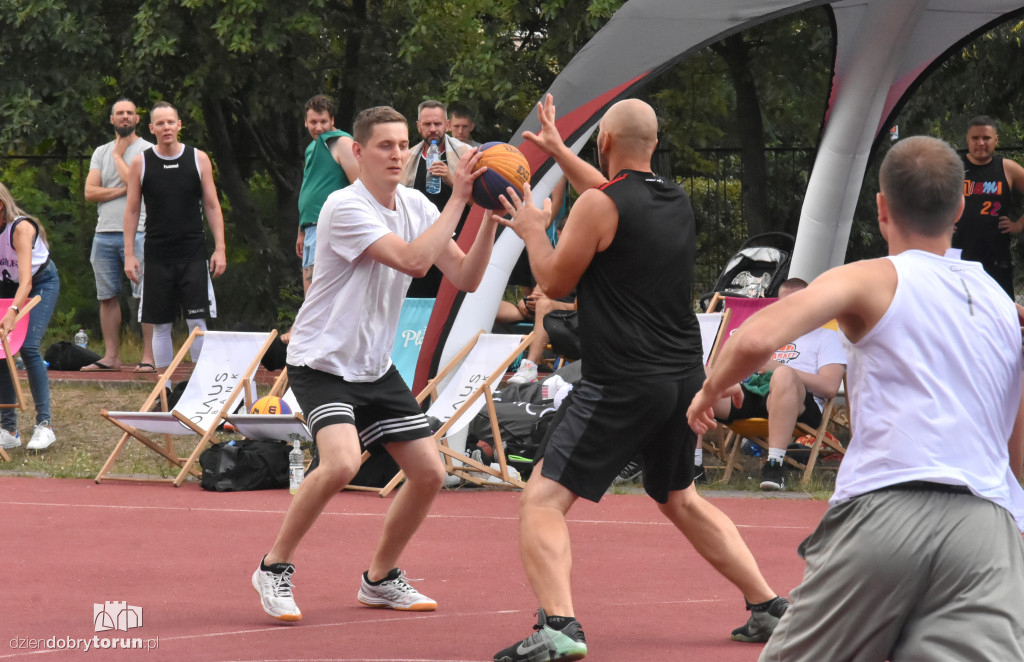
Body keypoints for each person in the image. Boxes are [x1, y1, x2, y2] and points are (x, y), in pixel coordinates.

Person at [689, 135, 1024, 662]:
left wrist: (709, 391)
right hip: (987, 523)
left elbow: (754, 338)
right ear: (961, 207)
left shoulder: (873, 277)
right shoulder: (1002, 305)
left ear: (882, 207)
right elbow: (1015, 436)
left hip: (888, 506)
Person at [492, 95, 787, 662]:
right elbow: (607, 198)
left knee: (543, 501)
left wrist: (532, 229)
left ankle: (560, 628)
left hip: (623, 381)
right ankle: (768, 604)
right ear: (652, 144)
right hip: (681, 377)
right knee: (680, 497)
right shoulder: (672, 198)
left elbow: (554, 278)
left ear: (603, 143)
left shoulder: (599, 205)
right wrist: (556, 150)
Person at [251, 106, 495, 623]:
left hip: (373, 366)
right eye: (385, 145)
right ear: (358, 152)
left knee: (429, 474)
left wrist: (487, 217)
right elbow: (412, 261)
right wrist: (457, 199)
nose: (398, 154)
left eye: (403, 144)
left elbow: (467, 278)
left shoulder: (415, 205)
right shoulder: (344, 207)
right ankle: (273, 567)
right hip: (322, 360)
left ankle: (380, 579)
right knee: (341, 463)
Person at [712, 278, 845, 490]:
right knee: (698, 373)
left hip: (800, 404)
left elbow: (830, 387)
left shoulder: (826, 337)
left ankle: (774, 466)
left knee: (783, 375)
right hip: (755, 394)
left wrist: (779, 368)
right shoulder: (767, 336)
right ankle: (693, 466)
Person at [123, 101, 226, 369]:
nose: (166, 127)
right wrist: (130, 255)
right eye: (160, 123)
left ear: (179, 125)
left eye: (170, 122)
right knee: (160, 326)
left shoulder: (198, 158)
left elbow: (213, 206)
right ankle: (164, 392)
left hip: (193, 253)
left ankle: (202, 394)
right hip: (157, 256)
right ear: (151, 128)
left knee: (197, 323)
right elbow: (132, 210)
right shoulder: (141, 163)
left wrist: (220, 248)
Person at [82, 98, 156, 373]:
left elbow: (140, 183)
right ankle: (112, 356)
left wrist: (118, 158)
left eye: (130, 113)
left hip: (139, 233)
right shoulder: (100, 151)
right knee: (107, 296)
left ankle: (148, 357)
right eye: (119, 113)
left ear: (138, 119)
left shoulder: (149, 150)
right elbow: (90, 192)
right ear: (111, 119)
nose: (125, 117)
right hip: (103, 233)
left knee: (145, 295)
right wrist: (124, 190)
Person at [0, 183, 60, 451]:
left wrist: (13, 312)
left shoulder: (21, 229)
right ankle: (9, 430)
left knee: (28, 346)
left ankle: (44, 425)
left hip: (39, 284)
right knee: (2, 349)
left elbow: (26, 282)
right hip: (8, 286)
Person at [400, 100, 472, 297]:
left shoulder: (466, 156)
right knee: (418, 304)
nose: (433, 129)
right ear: (418, 126)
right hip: (419, 245)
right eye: (427, 124)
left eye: (438, 124)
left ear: (447, 125)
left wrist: (451, 179)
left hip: (458, 245)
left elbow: (480, 204)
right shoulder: (406, 159)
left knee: (451, 302)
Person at [952, 115, 1024, 297]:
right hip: (959, 260)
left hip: (997, 260)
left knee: (1002, 320)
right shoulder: (953, 167)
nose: (981, 143)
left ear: (996, 140)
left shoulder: (1007, 168)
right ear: (967, 139)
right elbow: (928, 199)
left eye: (987, 138)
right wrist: (940, 224)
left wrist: (1018, 225)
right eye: (975, 138)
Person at [296, 94, 359, 294]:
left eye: (323, 121)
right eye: (313, 122)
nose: (319, 127)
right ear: (306, 122)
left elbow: (360, 184)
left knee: (318, 292)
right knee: (309, 291)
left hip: (327, 225)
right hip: (310, 226)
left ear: (332, 121)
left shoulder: (339, 141)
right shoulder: (311, 148)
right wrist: (301, 229)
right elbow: (309, 187)